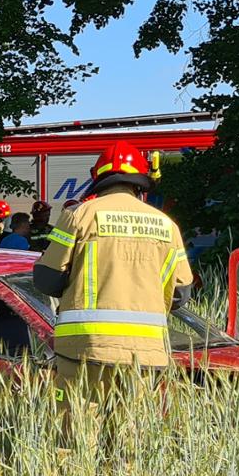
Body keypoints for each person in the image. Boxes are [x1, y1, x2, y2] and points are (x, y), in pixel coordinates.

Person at [33, 141, 194, 442]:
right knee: (129, 446)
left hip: (84, 349)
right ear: (141, 180)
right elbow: (181, 295)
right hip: (144, 356)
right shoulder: (166, 225)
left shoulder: (81, 215)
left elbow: (46, 279)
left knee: (74, 441)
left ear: (100, 176)